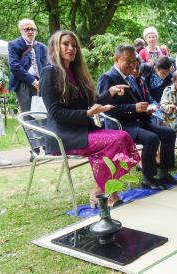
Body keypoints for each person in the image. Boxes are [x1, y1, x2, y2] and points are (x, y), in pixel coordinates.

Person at [40, 30, 141, 208]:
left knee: (123, 136)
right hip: (65, 135)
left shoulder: (76, 73)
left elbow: (93, 102)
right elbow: (56, 112)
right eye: (66, 44)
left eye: (74, 45)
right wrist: (87, 113)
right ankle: (108, 193)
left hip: (85, 131)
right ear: (56, 46)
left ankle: (99, 191)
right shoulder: (49, 73)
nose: (71, 48)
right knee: (115, 140)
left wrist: (110, 93)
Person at [97, 45, 177, 190]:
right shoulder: (108, 77)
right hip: (122, 126)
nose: (132, 65)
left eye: (133, 61)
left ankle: (164, 173)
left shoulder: (129, 77)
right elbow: (104, 108)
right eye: (128, 61)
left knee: (168, 133)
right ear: (116, 59)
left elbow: (136, 101)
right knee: (151, 138)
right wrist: (134, 108)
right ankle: (147, 179)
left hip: (138, 121)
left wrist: (145, 110)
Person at [8, 19, 47, 159]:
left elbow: (47, 65)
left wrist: (43, 80)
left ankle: (47, 146)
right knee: (28, 116)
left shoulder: (42, 47)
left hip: (42, 84)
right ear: (21, 31)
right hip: (24, 84)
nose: (30, 31)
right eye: (27, 29)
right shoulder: (14, 45)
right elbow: (14, 66)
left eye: (33, 29)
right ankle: (35, 150)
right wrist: (32, 80)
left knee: (44, 114)